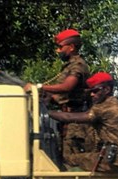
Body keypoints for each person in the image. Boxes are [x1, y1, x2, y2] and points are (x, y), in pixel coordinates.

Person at [47, 72, 118, 173]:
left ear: (107, 90)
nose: (92, 94)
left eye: (95, 91)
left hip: (113, 162)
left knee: (69, 158)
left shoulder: (103, 107)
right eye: (90, 92)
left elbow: (68, 117)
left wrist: (47, 112)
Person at [24, 29, 90, 168]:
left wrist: (39, 87)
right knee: (64, 159)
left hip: (76, 122)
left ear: (71, 47)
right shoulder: (68, 66)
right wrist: (45, 96)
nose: (57, 50)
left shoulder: (78, 65)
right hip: (67, 120)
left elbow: (67, 87)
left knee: (73, 162)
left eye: (60, 47)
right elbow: (62, 96)